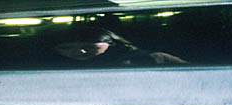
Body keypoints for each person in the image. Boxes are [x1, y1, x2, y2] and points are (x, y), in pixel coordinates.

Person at [51, 26, 187, 66]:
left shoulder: (151, 58)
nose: (80, 51)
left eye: (91, 47)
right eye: (66, 48)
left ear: (111, 44)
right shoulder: (50, 68)